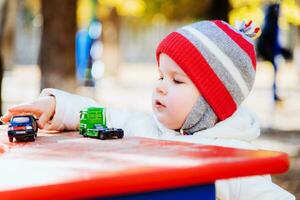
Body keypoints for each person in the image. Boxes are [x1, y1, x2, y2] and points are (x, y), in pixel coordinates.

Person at [1, 20, 295, 200]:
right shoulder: (149, 130)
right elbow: (100, 115)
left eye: (177, 80)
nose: (161, 87)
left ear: (212, 102)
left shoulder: (237, 163)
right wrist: (56, 105)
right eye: (160, 76)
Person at [256, 3, 292, 104]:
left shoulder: (273, 22)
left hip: (272, 52)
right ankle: (274, 94)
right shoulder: (271, 24)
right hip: (270, 52)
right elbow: (267, 41)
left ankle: (275, 94)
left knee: (276, 70)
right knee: (276, 70)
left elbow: (275, 42)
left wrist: (282, 50)